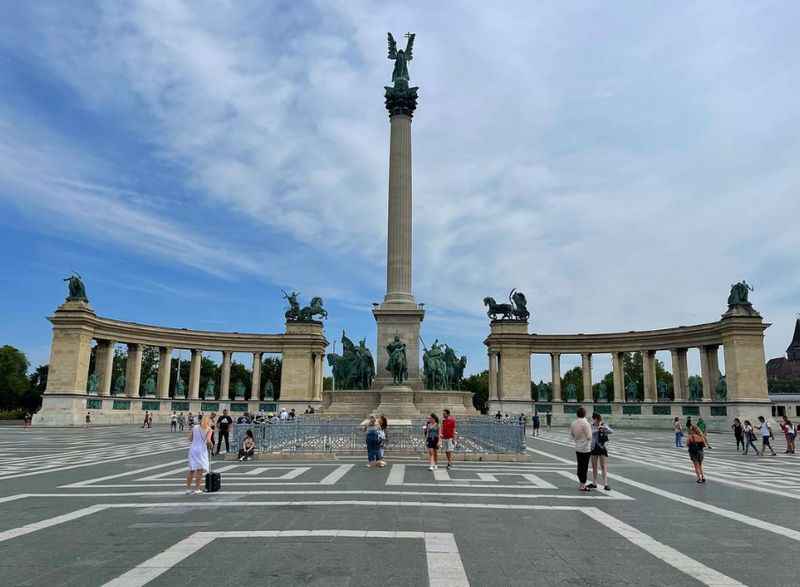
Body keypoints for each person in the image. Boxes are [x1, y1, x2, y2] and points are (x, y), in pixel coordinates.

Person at [186, 415, 212, 494]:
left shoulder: (195, 427)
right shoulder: (209, 429)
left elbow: (190, 438)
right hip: (201, 450)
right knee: (199, 470)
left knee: (191, 469)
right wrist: (211, 445)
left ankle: (188, 489)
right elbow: (208, 441)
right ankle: (197, 488)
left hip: (193, 449)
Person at [569, 406, 592, 491]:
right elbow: (589, 436)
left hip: (577, 447)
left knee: (580, 465)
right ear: (584, 414)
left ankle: (581, 483)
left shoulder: (573, 423)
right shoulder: (586, 423)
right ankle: (583, 485)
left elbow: (571, 435)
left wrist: (577, 439)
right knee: (584, 467)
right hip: (586, 448)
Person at [588, 413, 613, 491]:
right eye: (596, 419)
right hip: (594, 447)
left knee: (603, 466)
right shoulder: (591, 425)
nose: (597, 421)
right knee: (594, 466)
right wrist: (597, 429)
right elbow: (589, 434)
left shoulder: (603, 424)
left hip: (602, 447)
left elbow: (611, 431)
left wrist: (604, 428)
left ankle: (605, 484)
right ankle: (594, 483)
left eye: (598, 419)